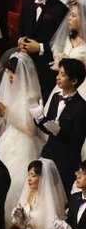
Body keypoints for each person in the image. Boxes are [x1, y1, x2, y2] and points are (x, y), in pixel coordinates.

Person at [0, 54, 45, 219]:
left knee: (17, 183)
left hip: (25, 144)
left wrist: (8, 114)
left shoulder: (31, 95)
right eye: (8, 71)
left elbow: (31, 130)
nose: (9, 76)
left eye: (12, 72)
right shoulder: (12, 91)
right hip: (10, 139)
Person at [34, 58, 86, 189]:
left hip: (66, 161)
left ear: (73, 80)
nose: (58, 77)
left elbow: (77, 140)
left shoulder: (81, 107)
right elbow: (49, 127)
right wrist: (39, 118)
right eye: (59, 73)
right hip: (48, 154)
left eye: (63, 75)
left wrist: (59, 132)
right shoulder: (55, 97)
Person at [19, 0, 67, 97]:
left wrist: (40, 47)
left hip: (45, 64)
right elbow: (21, 30)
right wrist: (20, 40)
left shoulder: (60, 10)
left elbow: (61, 44)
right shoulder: (27, 3)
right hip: (24, 58)